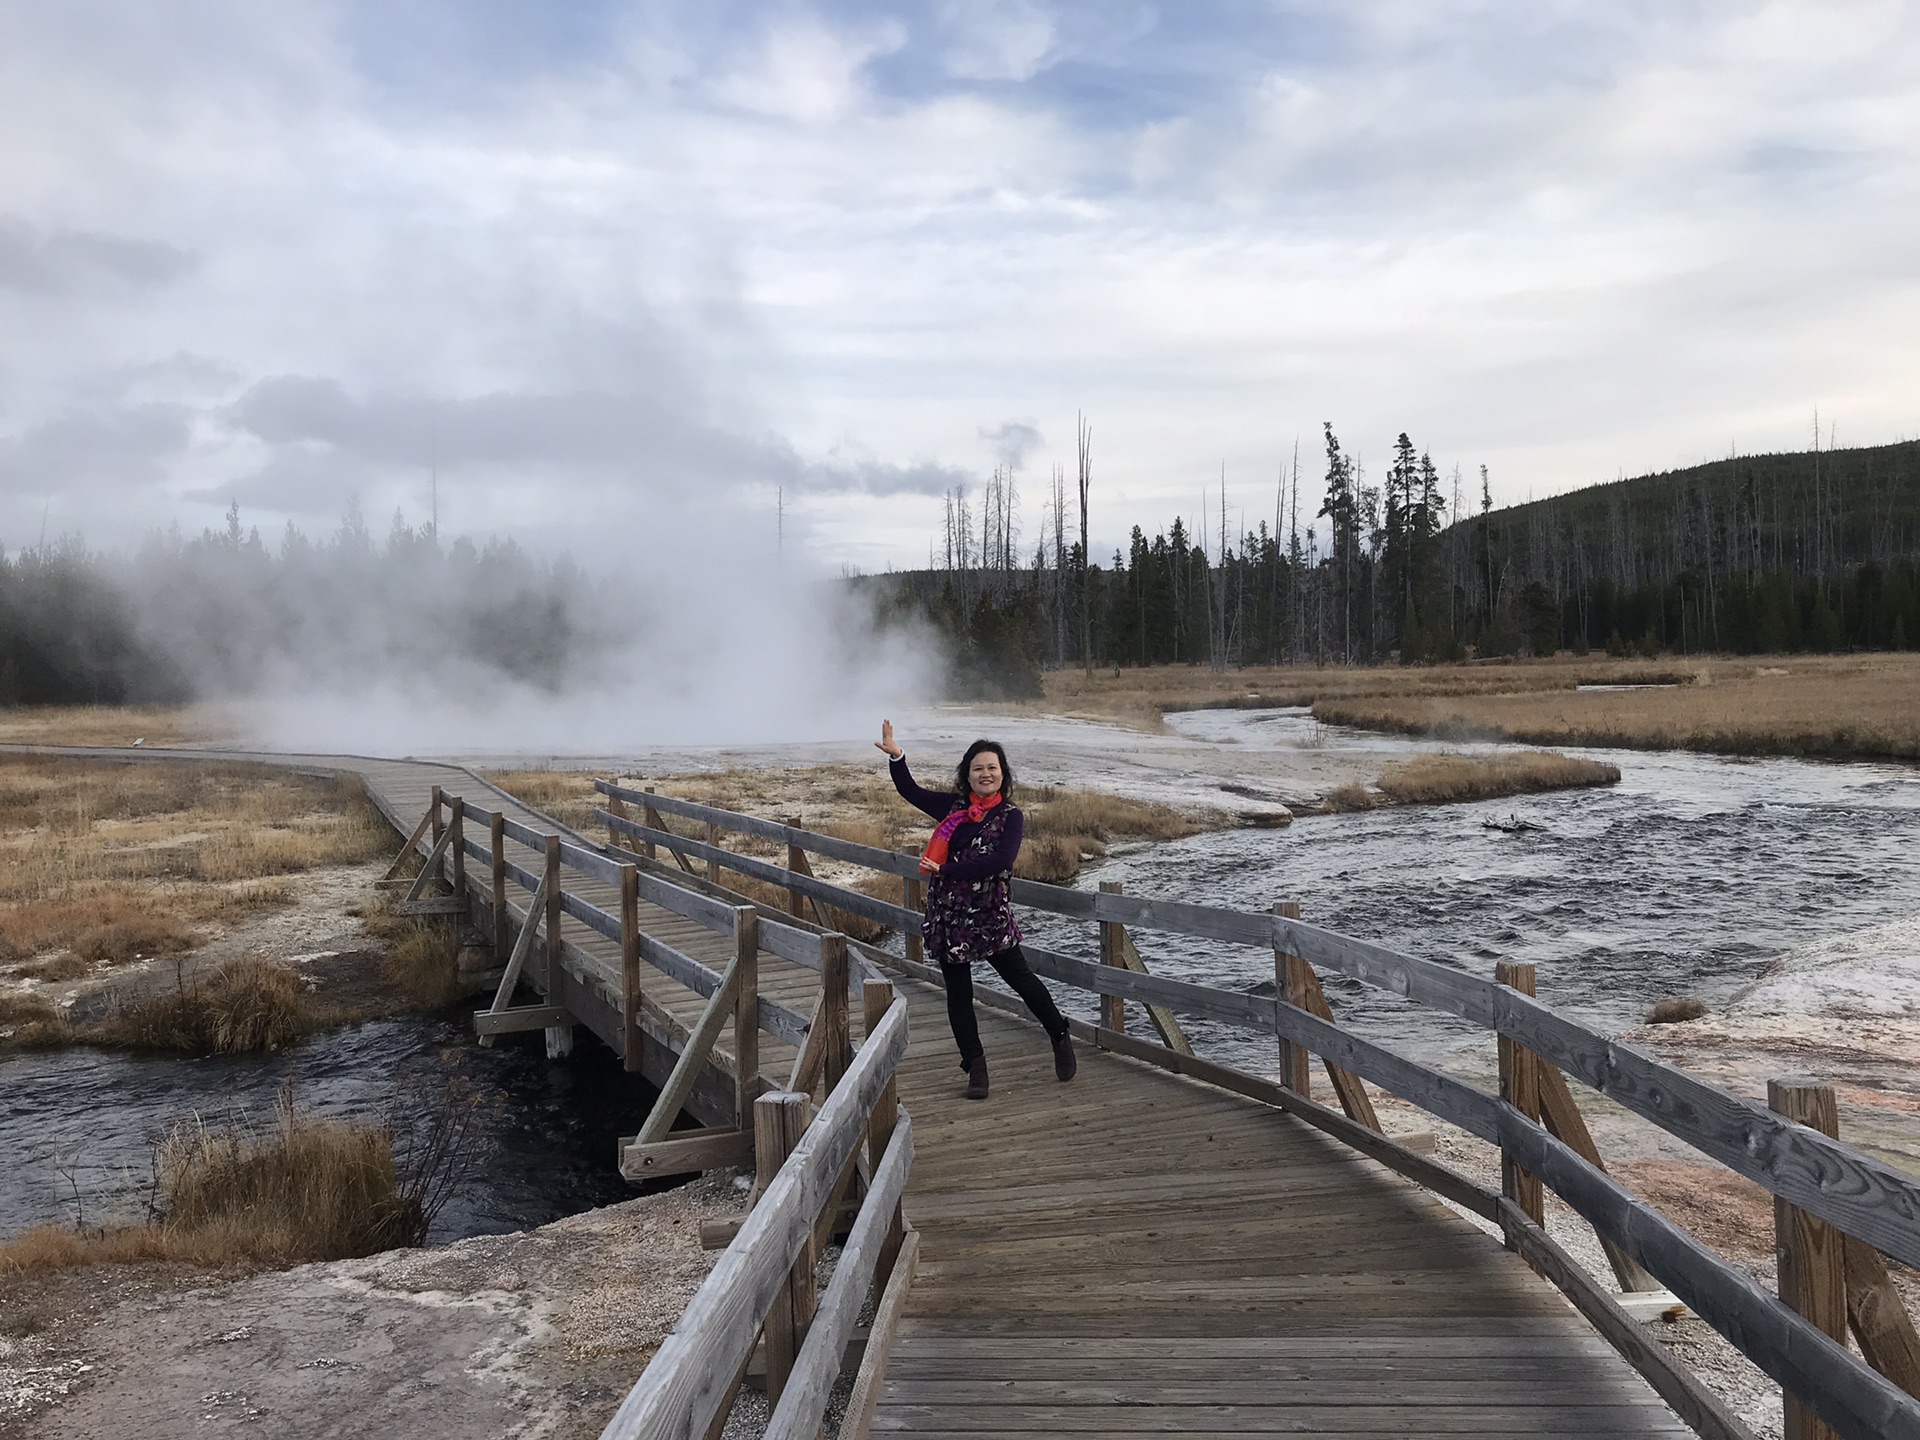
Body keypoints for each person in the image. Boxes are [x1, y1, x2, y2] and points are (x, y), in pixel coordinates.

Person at [876, 719, 1076, 1100]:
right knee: (958, 993)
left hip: (988, 917)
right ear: (967, 776)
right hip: (950, 916)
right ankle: (976, 1067)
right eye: (978, 768)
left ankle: (1059, 1033)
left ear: (1002, 775)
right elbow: (910, 790)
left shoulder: (1010, 817)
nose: (985, 774)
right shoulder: (952, 808)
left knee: (1021, 980)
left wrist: (946, 869)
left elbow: (999, 862)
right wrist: (897, 756)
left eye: (992, 768)